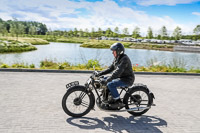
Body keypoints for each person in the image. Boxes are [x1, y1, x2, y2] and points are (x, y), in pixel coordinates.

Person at [96, 42, 135, 108]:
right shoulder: (117, 58)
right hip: (121, 78)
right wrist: (100, 73)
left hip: (127, 80)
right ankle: (106, 99)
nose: (112, 53)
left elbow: (118, 71)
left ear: (118, 51)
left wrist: (109, 79)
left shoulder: (124, 59)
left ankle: (118, 101)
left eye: (113, 51)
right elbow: (110, 68)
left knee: (110, 84)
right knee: (104, 79)